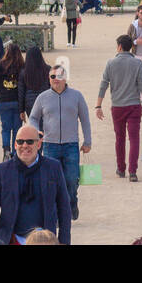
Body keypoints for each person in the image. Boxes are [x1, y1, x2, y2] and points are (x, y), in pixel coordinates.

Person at [0, 124, 73, 245]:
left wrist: (64, 241)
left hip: (44, 240)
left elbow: (64, 207)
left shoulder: (53, 167)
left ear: (39, 144)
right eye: (20, 142)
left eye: (30, 142)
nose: (24, 145)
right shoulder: (2, 170)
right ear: (15, 145)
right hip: (10, 239)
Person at [27, 65, 93, 220]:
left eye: (59, 76)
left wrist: (87, 141)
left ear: (65, 78)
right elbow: (33, 118)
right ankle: (56, 213)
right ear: (49, 79)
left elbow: (85, 119)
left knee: (71, 179)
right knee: (52, 181)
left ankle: (72, 202)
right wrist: (36, 130)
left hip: (71, 145)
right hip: (50, 145)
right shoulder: (42, 98)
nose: (56, 80)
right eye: (52, 77)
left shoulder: (77, 96)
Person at [95, 35, 142, 182]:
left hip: (117, 106)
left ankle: (121, 168)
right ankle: (133, 171)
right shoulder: (137, 63)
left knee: (119, 138)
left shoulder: (111, 63)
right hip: (134, 106)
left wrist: (98, 105)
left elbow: (104, 85)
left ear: (119, 47)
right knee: (134, 139)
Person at [0, 41, 25, 163]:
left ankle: (6, 150)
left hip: (3, 101)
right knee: (17, 128)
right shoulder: (22, 67)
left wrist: (1, 91)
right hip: (17, 102)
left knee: (5, 128)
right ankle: (15, 152)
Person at [17, 45, 50, 121]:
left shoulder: (24, 72)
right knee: (46, 127)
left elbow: (21, 93)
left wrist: (21, 110)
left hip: (30, 103)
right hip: (45, 101)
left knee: (34, 127)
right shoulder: (47, 69)